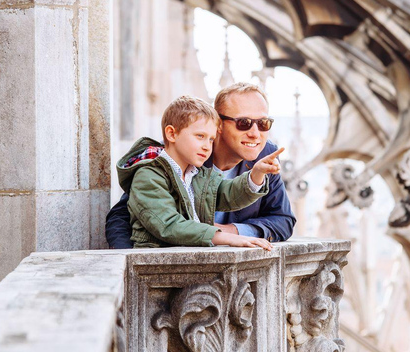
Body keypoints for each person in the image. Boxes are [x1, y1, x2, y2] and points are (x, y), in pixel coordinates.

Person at [106, 82, 296, 249]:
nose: (255, 134)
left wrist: (232, 232)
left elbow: (283, 220)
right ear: (218, 124)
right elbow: (124, 216)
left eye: (263, 123)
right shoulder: (183, 154)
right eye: (244, 123)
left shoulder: (265, 155)